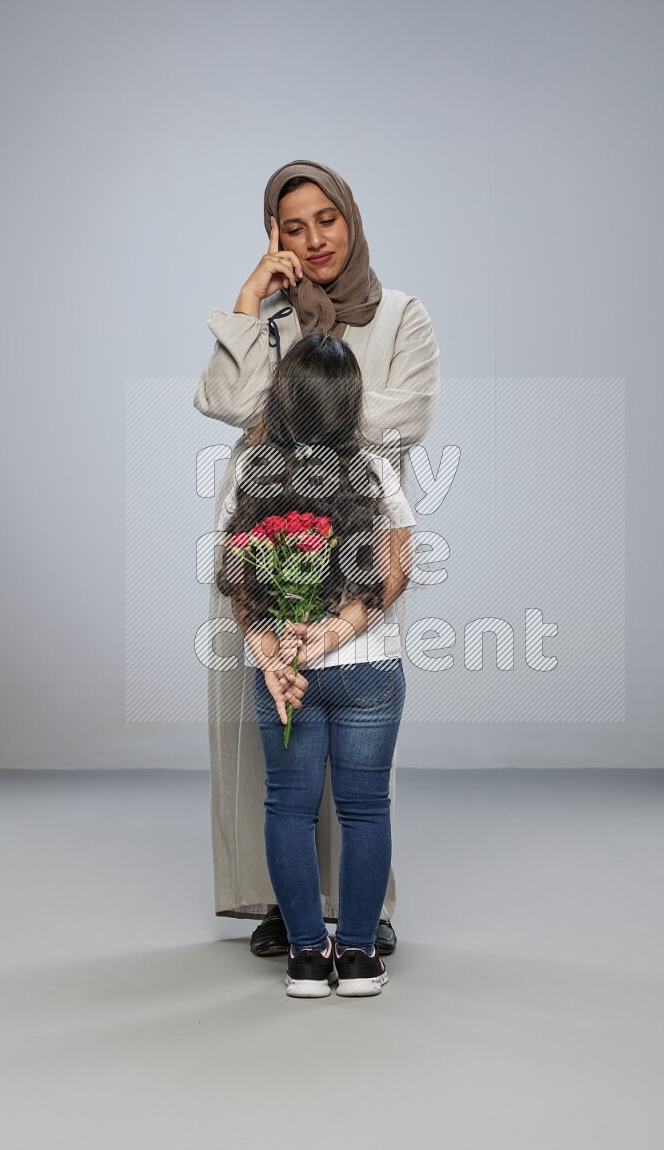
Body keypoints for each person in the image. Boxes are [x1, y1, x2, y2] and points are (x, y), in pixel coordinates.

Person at [194, 158, 440, 957]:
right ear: (275, 236)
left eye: (325, 219)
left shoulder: (402, 316)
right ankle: (280, 903)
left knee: (360, 747)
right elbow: (226, 403)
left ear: (350, 217)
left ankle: (366, 910)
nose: (313, 240)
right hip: (267, 532)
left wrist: (294, 409)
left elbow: (405, 419)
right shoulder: (270, 317)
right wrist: (247, 301)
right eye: (292, 227)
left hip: (359, 537)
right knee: (272, 728)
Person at [215, 330, 417, 996]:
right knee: (365, 809)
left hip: (284, 675)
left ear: (283, 398)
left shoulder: (251, 472)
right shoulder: (375, 470)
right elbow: (395, 573)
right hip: (367, 671)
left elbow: (239, 580)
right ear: (350, 401)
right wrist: (334, 633)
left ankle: (305, 957)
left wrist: (271, 651)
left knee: (288, 807)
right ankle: (356, 957)